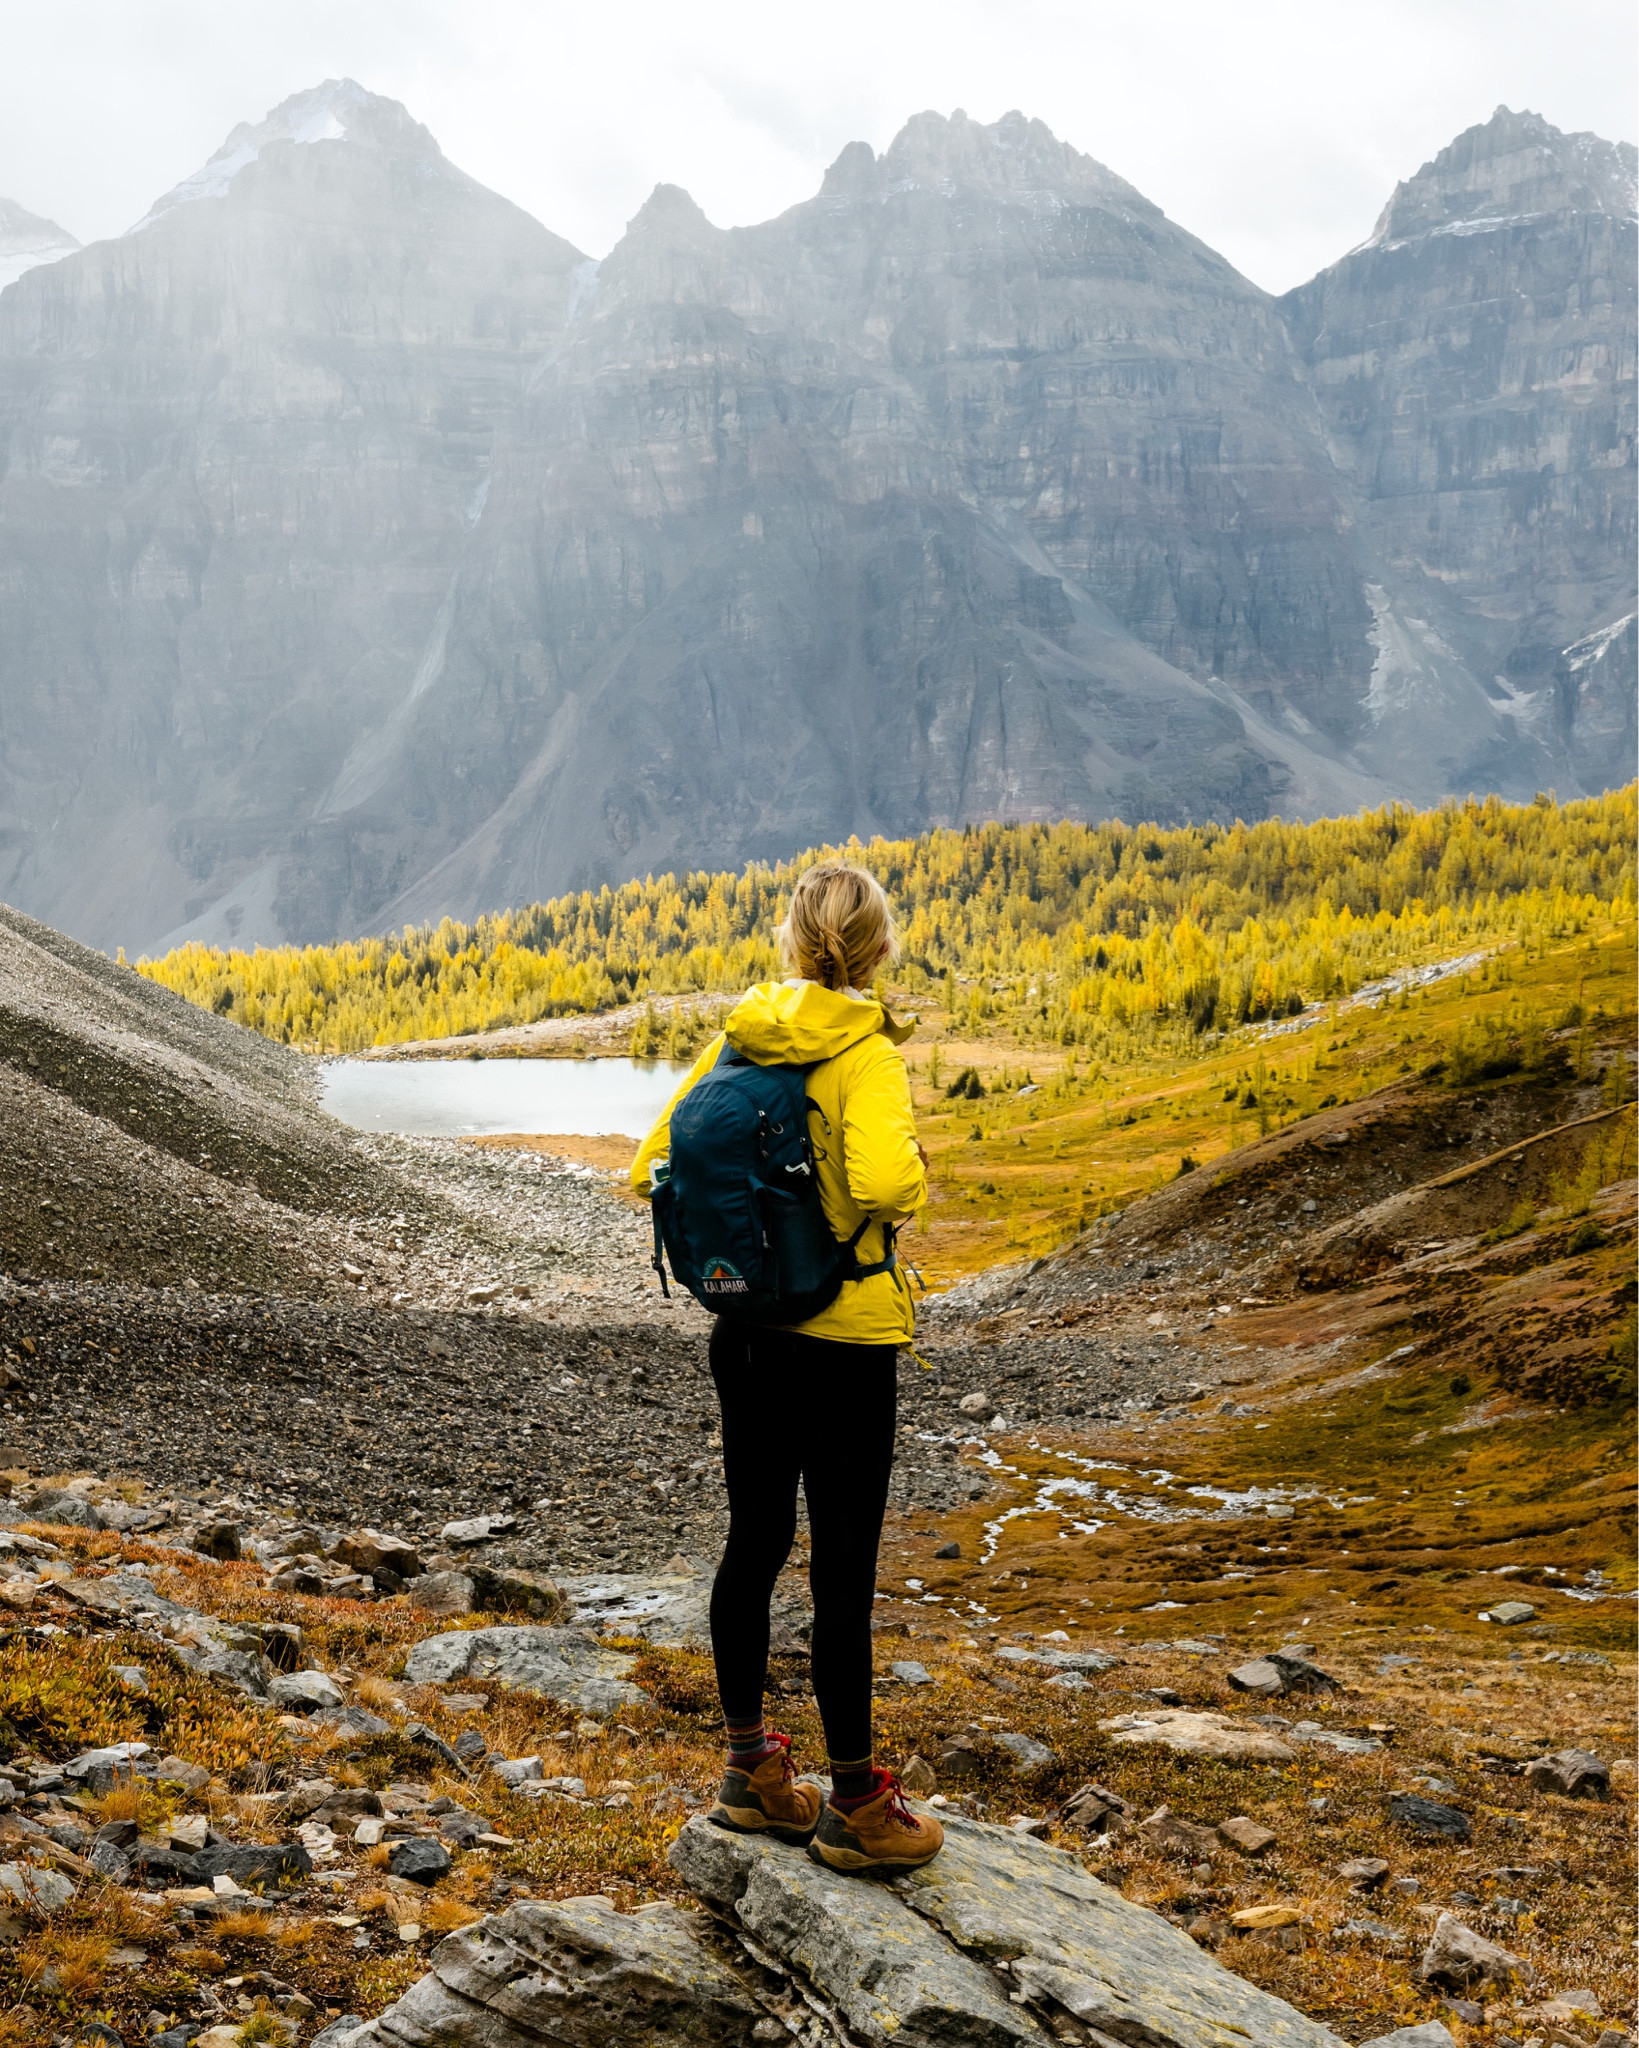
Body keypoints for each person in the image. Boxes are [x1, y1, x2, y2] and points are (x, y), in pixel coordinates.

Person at [630, 862, 944, 1873]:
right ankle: (854, 1802)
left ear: (790, 939)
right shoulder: (865, 1049)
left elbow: (650, 1165)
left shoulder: (742, 1036)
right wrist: (875, 1207)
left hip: (747, 1334)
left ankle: (749, 1772)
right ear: (879, 946)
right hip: (844, 1340)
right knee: (841, 1561)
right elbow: (888, 1177)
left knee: (754, 1539)